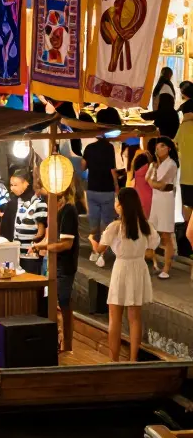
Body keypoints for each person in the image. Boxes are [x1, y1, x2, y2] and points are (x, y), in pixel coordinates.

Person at [89, 187, 160, 362]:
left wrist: (91, 239)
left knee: (115, 318)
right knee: (135, 318)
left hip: (122, 268)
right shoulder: (145, 226)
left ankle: (114, 360)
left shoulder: (115, 227)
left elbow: (99, 249)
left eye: (116, 201)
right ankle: (133, 359)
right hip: (139, 268)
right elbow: (151, 251)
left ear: (121, 205)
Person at [34, 177, 83, 348]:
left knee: (63, 302)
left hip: (64, 265)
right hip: (52, 262)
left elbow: (66, 244)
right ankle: (56, 338)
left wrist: (45, 246)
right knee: (52, 301)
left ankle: (67, 343)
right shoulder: (55, 209)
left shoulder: (68, 210)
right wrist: (42, 246)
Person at [83, 131, 120, 268]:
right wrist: (116, 185)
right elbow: (112, 169)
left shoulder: (89, 148)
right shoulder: (109, 148)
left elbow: (83, 166)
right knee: (107, 223)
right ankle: (103, 254)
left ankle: (95, 251)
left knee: (94, 222)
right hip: (106, 189)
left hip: (92, 188)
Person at [145, 136, 179, 279]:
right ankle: (155, 263)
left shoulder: (171, 164)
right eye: (157, 147)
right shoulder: (154, 164)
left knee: (166, 233)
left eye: (162, 146)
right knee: (153, 231)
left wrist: (154, 181)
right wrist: (154, 180)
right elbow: (150, 181)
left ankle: (166, 266)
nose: (159, 149)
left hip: (166, 199)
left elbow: (160, 183)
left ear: (169, 148)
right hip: (156, 198)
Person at [178, 107, 193, 233]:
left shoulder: (183, 127)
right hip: (187, 176)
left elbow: (174, 144)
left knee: (187, 205)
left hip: (186, 176)